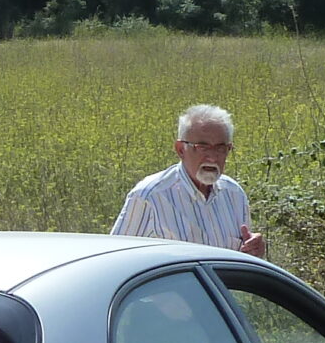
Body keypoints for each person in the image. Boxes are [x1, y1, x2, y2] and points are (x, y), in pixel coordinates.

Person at [111, 103, 267, 256]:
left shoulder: (234, 194)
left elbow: (241, 257)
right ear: (180, 149)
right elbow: (115, 259)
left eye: (220, 148)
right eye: (202, 147)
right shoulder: (150, 197)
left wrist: (252, 250)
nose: (212, 157)